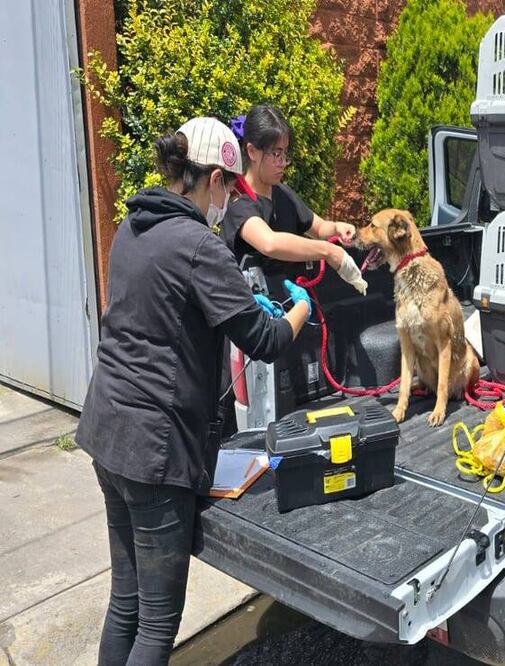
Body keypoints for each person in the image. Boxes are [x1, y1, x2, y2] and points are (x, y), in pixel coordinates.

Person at [75, 117, 312, 666]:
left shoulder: (133, 228)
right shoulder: (199, 247)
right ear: (210, 179)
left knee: (125, 603)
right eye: (229, 185)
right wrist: (300, 309)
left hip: (107, 433)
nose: (230, 198)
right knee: (157, 623)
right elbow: (265, 338)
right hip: (154, 452)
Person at [220, 104, 367, 294]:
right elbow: (269, 243)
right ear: (252, 151)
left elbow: (319, 228)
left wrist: (338, 227)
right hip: (255, 311)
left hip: (290, 304)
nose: (282, 163)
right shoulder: (237, 200)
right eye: (275, 154)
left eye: (284, 153)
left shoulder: (281, 192)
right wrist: (328, 251)